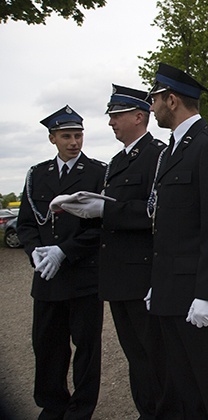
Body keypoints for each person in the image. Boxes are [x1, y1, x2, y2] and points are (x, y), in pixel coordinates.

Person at [53, 85, 166, 418]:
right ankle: (148, 411)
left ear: (138, 116)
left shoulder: (158, 155)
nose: (111, 123)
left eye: (116, 116)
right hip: (118, 276)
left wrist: (105, 211)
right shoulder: (116, 161)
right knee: (136, 357)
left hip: (144, 273)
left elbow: (155, 212)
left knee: (156, 356)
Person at [146, 63, 208, 419]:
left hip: (200, 295)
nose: (151, 106)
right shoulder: (171, 151)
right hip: (172, 292)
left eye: (154, 98)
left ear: (171, 100)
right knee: (183, 387)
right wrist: (159, 283)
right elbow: (170, 226)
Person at [17, 105, 106, 419]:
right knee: (47, 347)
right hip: (47, 278)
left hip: (83, 276)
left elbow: (101, 226)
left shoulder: (98, 172)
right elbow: (27, 223)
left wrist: (64, 250)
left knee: (86, 349)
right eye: (66, 136)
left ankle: (81, 409)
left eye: (78, 135)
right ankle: (52, 405)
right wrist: (35, 251)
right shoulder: (37, 174)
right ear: (52, 138)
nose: (74, 142)